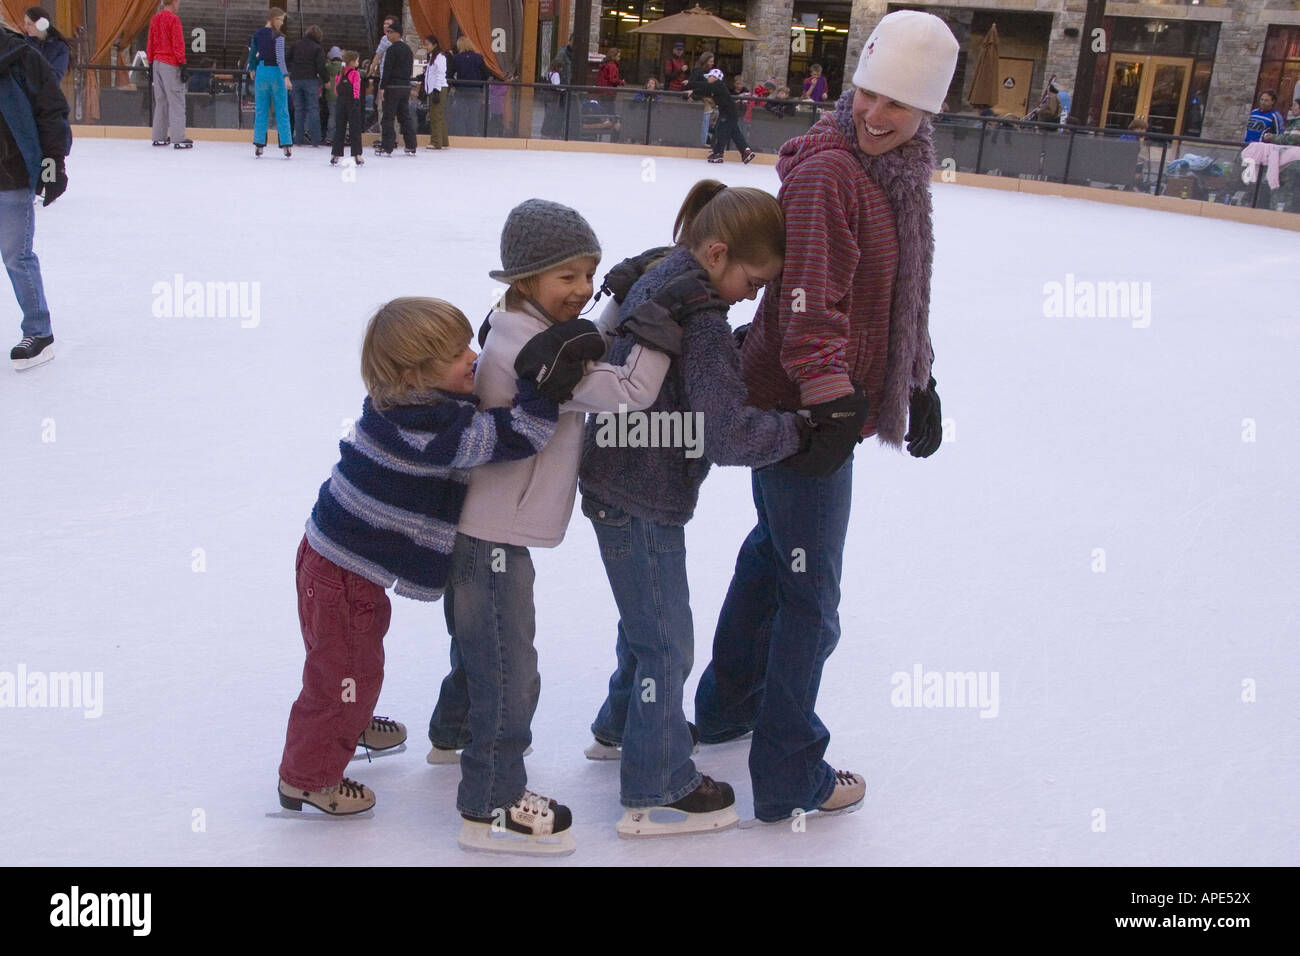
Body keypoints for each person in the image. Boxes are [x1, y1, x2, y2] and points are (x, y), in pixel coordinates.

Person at [693, 9, 957, 825]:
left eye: (899, 106)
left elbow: (888, 295)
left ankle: (727, 706)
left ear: (927, 115)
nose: (878, 116)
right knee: (812, 595)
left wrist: (917, 375)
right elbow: (810, 307)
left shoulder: (898, 172)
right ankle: (788, 773)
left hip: (819, 399)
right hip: (798, 409)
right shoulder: (830, 174)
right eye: (870, 94)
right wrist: (830, 403)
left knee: (775, 556)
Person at [578, 182, 852, 837]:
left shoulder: (663, 269)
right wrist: (801, 429)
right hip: (641, 493)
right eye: (754, 283)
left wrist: (739, 352)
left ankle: (620, 725)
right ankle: (656, 787)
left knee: (644, 625)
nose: (751, 295)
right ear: (720, 252)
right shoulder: (699, 311)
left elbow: (680, 385)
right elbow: (724, 432)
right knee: (667, 642)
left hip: (618, 476)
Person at [426, 199, 677, 855]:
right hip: (494, 536)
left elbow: (576, 344)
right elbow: (625, 391)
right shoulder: (531, 349)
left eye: (591, 274)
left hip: (479, 527)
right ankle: (491, 806)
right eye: (568, 276)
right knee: (511, 670)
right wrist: (656, 332)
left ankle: (450, 733)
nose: (582, 290)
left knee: (480, 648)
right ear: (526, 275)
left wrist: (617, 302)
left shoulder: (515, 323)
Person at [277, 297, 569, 816]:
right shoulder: (427, 429)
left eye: (470, 343)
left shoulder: (405, 403)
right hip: (341, 574)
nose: (474, 356)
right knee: (342, 672)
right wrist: (543, 390)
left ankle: (349, 719)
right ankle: (309, 776)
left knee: (344, 666)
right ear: (415, 374)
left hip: (328, 560)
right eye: (458, 353)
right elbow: (514, 436)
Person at [2, 19, 68, 371]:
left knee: (16, 257)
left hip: (10, 174)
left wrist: (52, 165)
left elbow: (51, 111)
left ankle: (39, 332)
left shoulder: (21, 55)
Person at [146, 0, 191, 148]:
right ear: (174, 2)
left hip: (157, 63)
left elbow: (150, 42)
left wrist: (151, 62)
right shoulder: (173, 19)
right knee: (176, 101)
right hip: (170, 63)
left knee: (161, 101)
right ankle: (178, 137)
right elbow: (178, 43)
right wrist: (183, 63)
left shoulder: (155, 18)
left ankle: (158, 135)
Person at [249, 7, 292, 158]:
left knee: (261, 109)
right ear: (273, 19)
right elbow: (280, 58)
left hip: (261, 71)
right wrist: (286, 75)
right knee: (282, 108)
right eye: (280, 19)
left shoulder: (257, 34)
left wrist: (252, 67)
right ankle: (286, 144)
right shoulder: (279, 36)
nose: (281, 23)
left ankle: (259, 145)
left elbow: (252, 52)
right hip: (276, 73)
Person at [699, 68, 755, 164]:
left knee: (721, 131)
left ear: (715, 77)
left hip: (728, 113)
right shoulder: (717, 86)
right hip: (729, 111)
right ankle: (746, 151)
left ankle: (718, 153)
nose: (707, 78)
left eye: (709, 76)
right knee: (734, 132)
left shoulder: (717, 85)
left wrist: (692, 90)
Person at [378, 22, 416, 155]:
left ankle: (387, 146)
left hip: (392, 86)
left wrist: (382, 87)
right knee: (404, 116)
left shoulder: (391, 50)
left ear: (397, 33)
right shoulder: (408, 50)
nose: (387, 34)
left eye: (389, 32)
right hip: (405, 86)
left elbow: (387, 70)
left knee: (388, 117)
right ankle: (411, 145)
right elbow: (410, 70)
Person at [287, 24, 328, 146]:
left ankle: (298, 139)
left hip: (295, 79)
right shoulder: (317, 48)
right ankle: (315, 140)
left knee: (298, 110)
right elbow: (321, 66)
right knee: (313, 109)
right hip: (310, 79)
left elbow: (287, 59)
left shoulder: (295, 45)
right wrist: (326, 80)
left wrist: (292, 70)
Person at [329, 50, 364, 166]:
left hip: (341, 102)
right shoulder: (355, 73)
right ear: (353, 62)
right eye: (357, 60)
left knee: (340, 129)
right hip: (352, 102)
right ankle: (357, 155)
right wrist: (356, 100)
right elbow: (356, 88)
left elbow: (335, 90)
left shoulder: (341, 73)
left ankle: (335, 155)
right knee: (355, 129)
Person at [449, 36, 488, 135]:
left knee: (459, 116)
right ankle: (472, 136)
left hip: (461, 91)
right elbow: (486, 74)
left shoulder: (457, 58)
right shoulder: (478, 57)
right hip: (475, 91)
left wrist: (456, 84)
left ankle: (460, 135)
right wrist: (480, 84)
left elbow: (449, 74)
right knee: (473, 116)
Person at [22, 7, 68, 82]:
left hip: (48, 91)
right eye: (25, 23)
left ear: (42, 24)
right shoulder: (22, 44)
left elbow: (56, 76)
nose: (25, 27)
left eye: (29, 24)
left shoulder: (60, 48)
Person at [421, 35, 449, 149]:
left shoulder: (440, 57)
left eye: (428, 44)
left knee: (435, 116)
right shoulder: (433, 57)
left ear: (434, 44)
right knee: (438, 115)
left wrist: (437, 90)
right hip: (433, 89)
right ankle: (443, 141)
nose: (426, 47)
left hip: (438, 89)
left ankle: (436, 141)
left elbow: (440, 74)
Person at [541, 55, 566, 139]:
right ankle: (548, 132)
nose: (562, 69)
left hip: (547, 95)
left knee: (548, 114)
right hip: (554, 96)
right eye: (561, 67)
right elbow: (557, 86)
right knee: (552, 115)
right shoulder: (556, 75)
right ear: (558, 67)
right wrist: (563, 89)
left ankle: (545, 131)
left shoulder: (549, 74)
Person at [324, 46, 342, 146]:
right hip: (341, 94)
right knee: (341, 117)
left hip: (330, 95)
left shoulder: (327, 67)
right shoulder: (343, 67)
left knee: (332, 115)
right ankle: (340, 136)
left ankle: (329, 137)